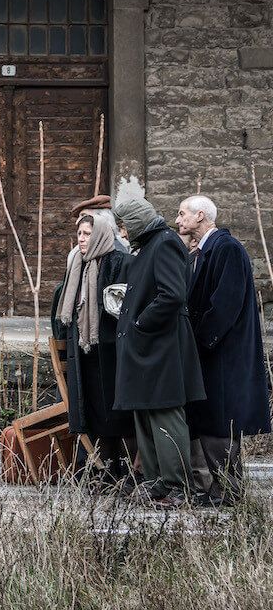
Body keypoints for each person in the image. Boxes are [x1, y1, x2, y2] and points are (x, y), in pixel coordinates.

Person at [176, 195, 272, 506]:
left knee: (220, 421)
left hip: (222, 356)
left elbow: (224, 305)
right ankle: (220, 490)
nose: (177, 220)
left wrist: (200, 341)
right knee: (212, 420)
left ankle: (227, 492)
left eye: (182, 214)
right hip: (214, 354)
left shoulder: (226, 248)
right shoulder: (210, 249)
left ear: (200, 216)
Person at [111, 198, 206, 507]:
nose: (122, 234)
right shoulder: (149, 246)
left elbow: (172, 295)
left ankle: (177, 485)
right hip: (147, 348)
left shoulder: (164, 243)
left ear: (136, 222)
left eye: (124, 226)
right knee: (146, 412)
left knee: (165, 413)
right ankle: (156, 481)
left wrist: (140, 323)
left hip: (161, 348)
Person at [57, 214, 135, 485]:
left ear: (101, 235)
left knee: (115, 412)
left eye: (87, 234)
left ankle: (122, 470)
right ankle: (101, 470)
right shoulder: (77, 264)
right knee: (93, 411)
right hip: (85, 351)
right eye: (79, 233)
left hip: (112, 352)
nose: (81, 239)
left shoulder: (120, 262)